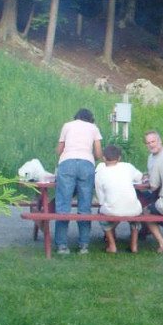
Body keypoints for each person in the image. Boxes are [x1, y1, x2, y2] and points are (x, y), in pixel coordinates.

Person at [54, 108, 103, 255]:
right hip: (86, 164)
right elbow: (99, 153)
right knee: (85, 205)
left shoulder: (67, 126)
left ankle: (62, 245)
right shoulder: (94, 128)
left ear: (76, 117)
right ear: (90, 118)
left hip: (67, 163)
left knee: (63, 204)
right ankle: (84, 245)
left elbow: (59, 150)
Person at [95, 145, 144, 253]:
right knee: (136, 215)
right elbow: (139, 176)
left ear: (103, 158)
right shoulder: (127, 167)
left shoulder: (100, 173)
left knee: (101, 214)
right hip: (133, 208)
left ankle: (112, 245)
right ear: (119, 158)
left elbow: (101, 199)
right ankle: (134, 245)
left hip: (113, 209)